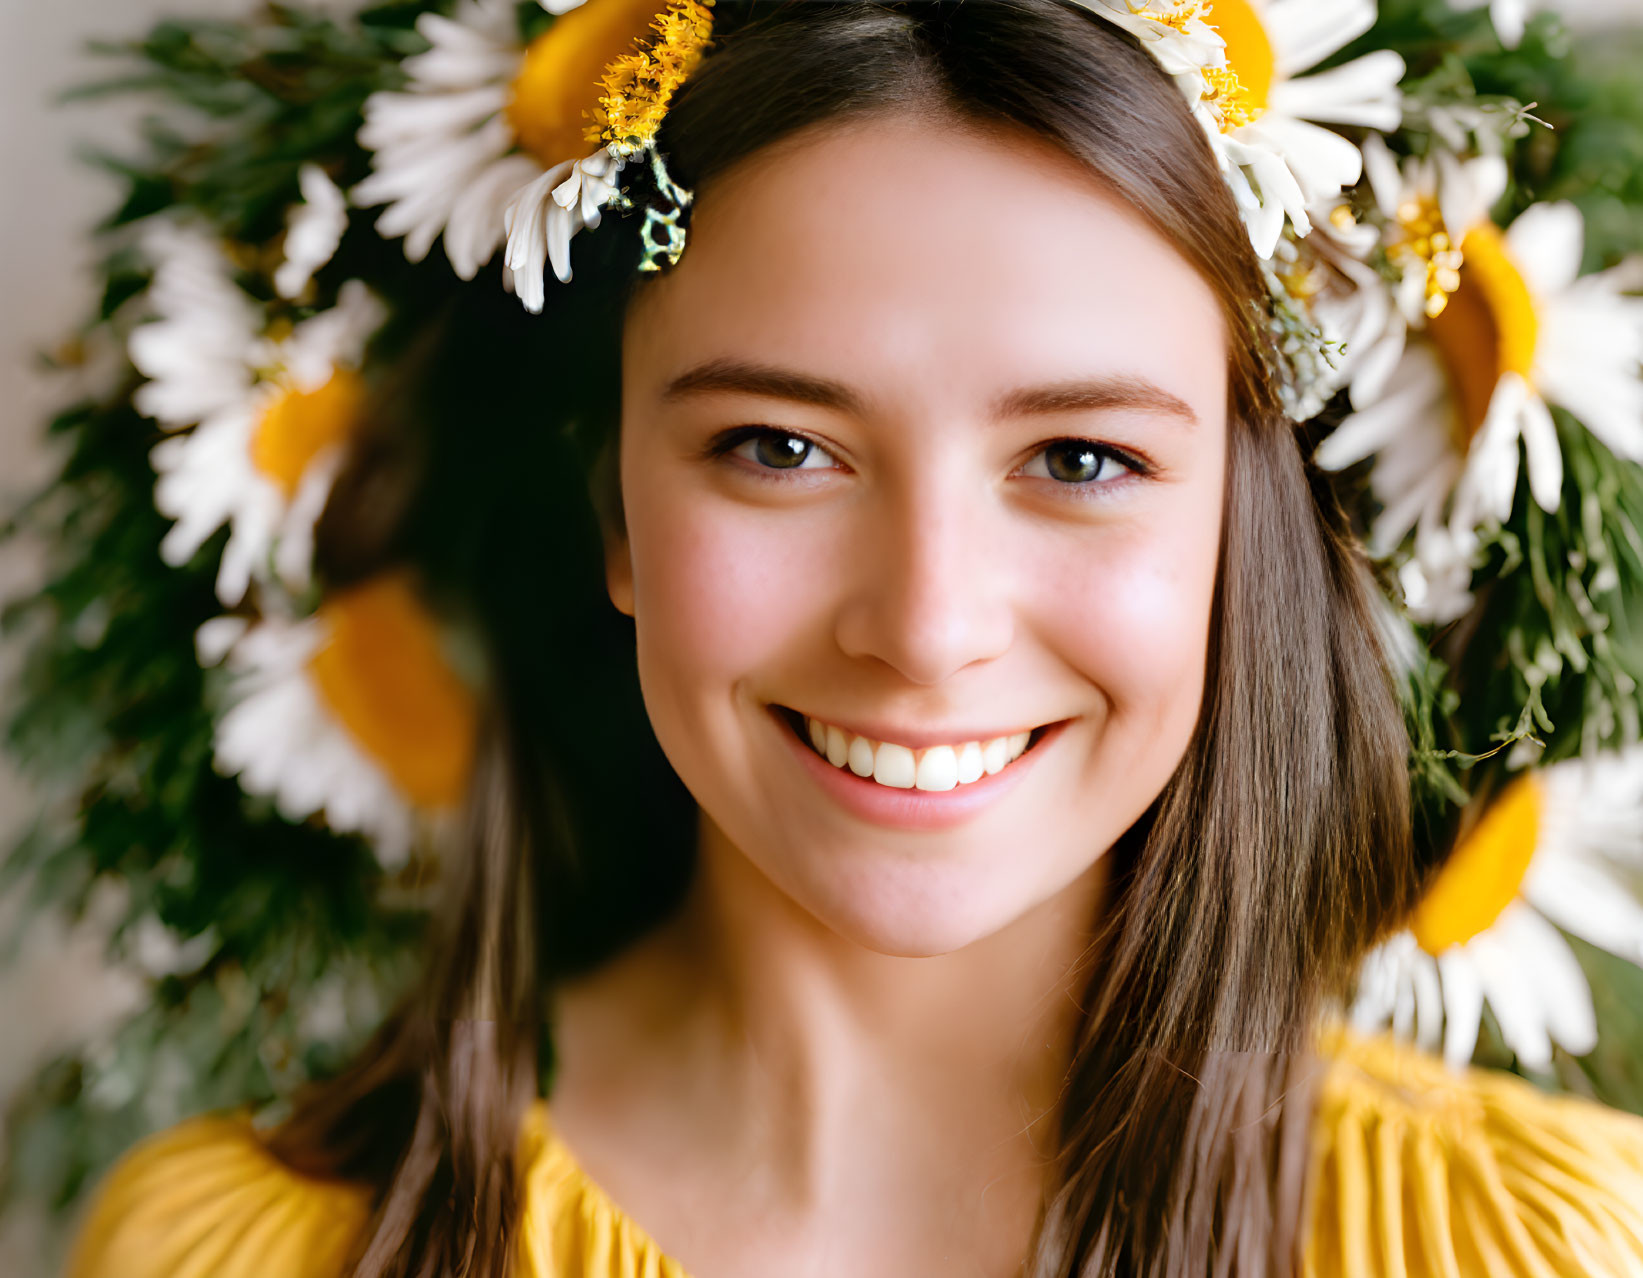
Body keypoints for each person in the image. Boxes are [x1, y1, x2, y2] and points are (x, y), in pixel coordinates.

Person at [60, 2, 1643, 1276]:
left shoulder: (1544, 1244)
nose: (926, 627)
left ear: (1247, 538)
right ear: (614, 508)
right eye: (777, 446)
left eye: (1082, 460)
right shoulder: (248, 1253)